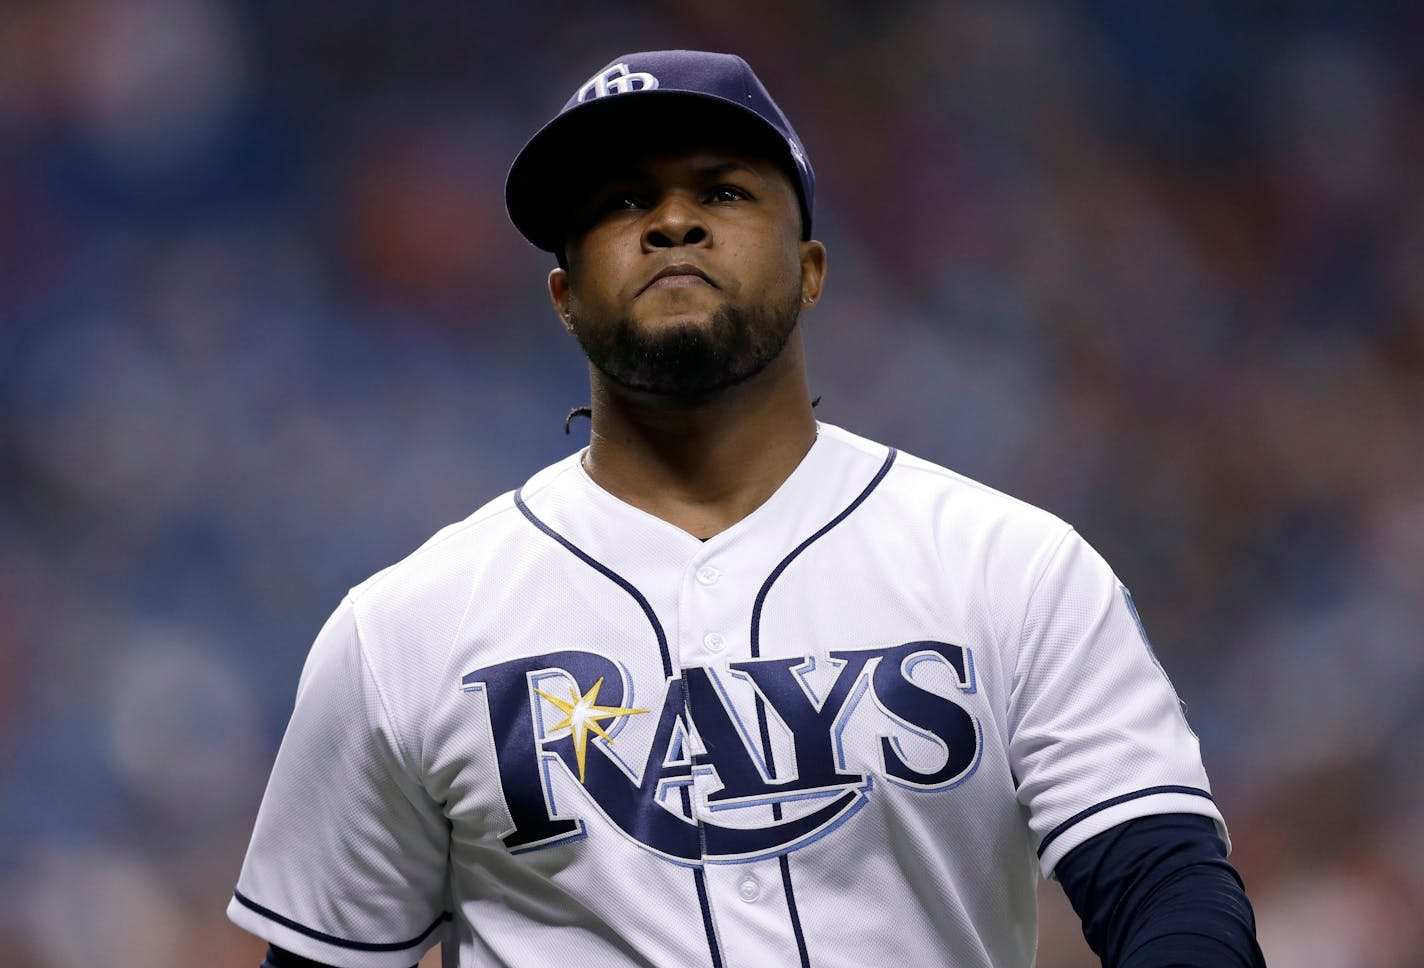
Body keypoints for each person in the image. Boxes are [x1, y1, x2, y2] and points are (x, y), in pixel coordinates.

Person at [228, 50, 1265, 968]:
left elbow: (1167, 891)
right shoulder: (402, 629)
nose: (671, 220)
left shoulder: (1011, 566)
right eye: (620, 203)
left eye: (721, 192)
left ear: (809, 271)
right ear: (562, 297)